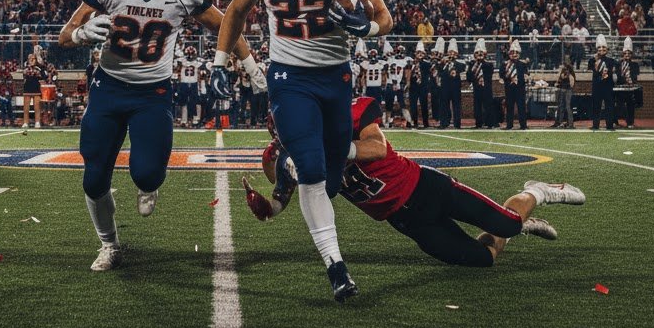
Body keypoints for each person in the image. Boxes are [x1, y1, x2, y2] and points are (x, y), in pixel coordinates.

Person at [58, 0, 265, 272]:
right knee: (94, 177)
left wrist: (250, 64)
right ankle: (109, 244)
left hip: (152, 93)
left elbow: (227, 25)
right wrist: (81, 33)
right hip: (108, 88)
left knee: (148, 173)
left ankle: (148, 184)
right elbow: (64, 35)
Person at [215, 0, 393, 301]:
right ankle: (336, 268)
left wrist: (365, 28)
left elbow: (384, 17)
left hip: (335, 77)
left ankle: (289, 166)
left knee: (329, 178)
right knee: (314, 172)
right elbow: (236, 12)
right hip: (288, 77)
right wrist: (221, 60)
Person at [243, 95, 584, 269]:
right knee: (483, 259)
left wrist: (333, 149)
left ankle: (538, 191)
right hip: (404, 221)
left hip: (425, 188)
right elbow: (284, 193)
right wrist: (268, 207)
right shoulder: (287, 158)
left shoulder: (346, 117)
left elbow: (377, 148)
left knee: (507, 224)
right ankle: (516, 224)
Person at [589, 34, 617, 131]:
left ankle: (609, 125)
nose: (601, 49)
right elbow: (590, 66)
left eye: (604, 47)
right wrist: (595, 59)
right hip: (597, 87)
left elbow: (614, 70)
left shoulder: (611, 61)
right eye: (599, 48)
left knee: (609, 106)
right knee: (596, 106)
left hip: (608, 87)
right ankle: (595, 125)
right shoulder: (592, 60)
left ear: (607, 49)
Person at [467, 39, 496, 129]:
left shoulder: (488, 64)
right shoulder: (472, 65)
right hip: (477, 88)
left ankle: (490, 123)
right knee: (477, 106)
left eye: (481, 53)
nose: (479, 54)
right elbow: (469, 77)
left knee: (488, 106)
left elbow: (489, 72)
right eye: (477, 53)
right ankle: (478, 123)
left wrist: (480, 62)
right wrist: (474, 64)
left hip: (486, 88)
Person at [501, 40, 529, 130]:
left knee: (521, 107)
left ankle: (523, 125)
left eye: (516, 53)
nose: (514, 55)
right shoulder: (505, 64)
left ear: (519, 54)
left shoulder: (523, 64)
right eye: (512, 53)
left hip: (520, 88)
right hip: (509, 88)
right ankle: (509, 125)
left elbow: (526, 75)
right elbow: (501, 75)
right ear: (509, 54)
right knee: (509, 107)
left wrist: (526, 78)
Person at [438, 39, 463, 129]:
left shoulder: (460, 64)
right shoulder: (443, 64)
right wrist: (442, 63)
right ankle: (444, 123)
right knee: (444, 105)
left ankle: (457, 124)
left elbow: (462, 73)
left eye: (453, 52)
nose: (451, 54)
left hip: (455, 88)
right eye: (450, 52)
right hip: (445, 88)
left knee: (456, 106)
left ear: (456, 54)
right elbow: (439, 73)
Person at [616, 36, 640, 129]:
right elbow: (617, 76)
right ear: (623, 54)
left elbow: (635, 77)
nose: (627, 55)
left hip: (630, 88)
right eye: (625, 53)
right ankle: (616, 122)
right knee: (618, 105)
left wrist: (630, 80)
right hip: (620, 88)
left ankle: (630, 122)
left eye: (629, 53)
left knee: (631, 106)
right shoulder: (618, 64)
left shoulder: (635, 65)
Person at [20, 52, 43, 130]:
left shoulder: (38, 69)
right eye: (30, 59)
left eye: (33, 59)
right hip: (27, 88)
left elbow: (41, 76)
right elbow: (25, 74)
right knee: (26, 107)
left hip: (36, 88)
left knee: (37, 107)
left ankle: (37, 122)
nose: (32, 60)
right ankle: (26, 122)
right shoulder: (25, 68)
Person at [552, 61, 576, 129]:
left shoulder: (570, 75)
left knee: (568, 107)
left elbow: (572, 84)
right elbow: (558, 80)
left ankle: (570, 124)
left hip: (568, 90)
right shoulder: (563, 74)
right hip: (563, 90)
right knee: (561, 106)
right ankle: (559, 123)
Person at [0, 58, 17, 127]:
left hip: (9, 94)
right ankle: (3, 121)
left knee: (10, 108)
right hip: (2, 94)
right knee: (3, 108)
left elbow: (11, 85)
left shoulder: (9, 76)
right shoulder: (0, 74)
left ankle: (11, 121)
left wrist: (11, 93)